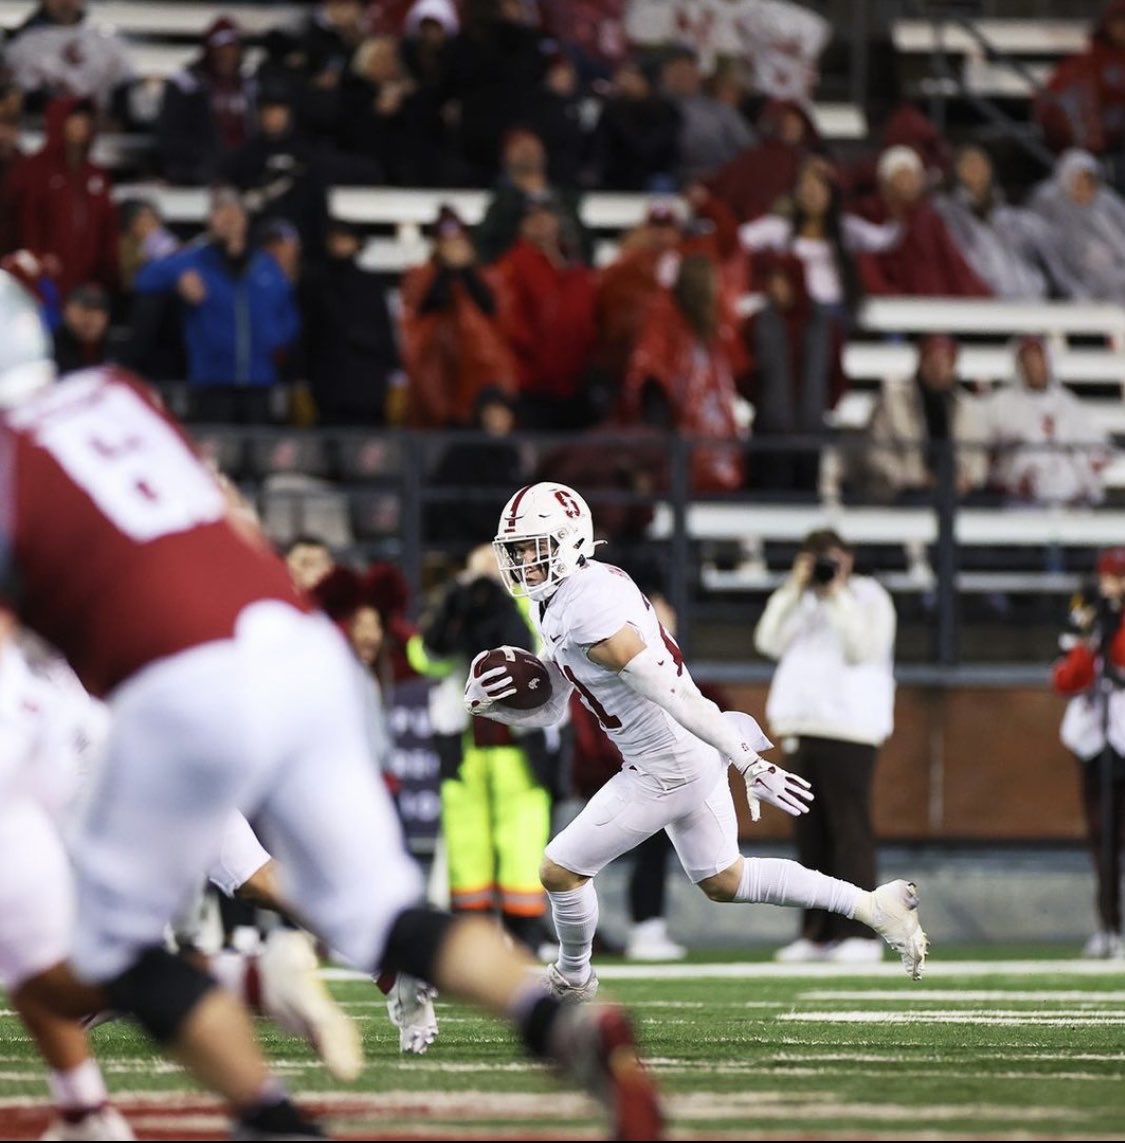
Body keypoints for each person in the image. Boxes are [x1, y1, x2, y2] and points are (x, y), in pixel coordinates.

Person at [0, 272, 662, 1141]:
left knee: (109, 956)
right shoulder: (116, 393)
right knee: (388, 914)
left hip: (177, 681)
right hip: (295, 643)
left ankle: (275, 1119)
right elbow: (222, 518)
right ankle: (561, 1019)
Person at [466, 482, 928, 1001]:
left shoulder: (587, 610)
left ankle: (574, 975)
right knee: (725, 881)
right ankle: (872, 906)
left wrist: (749, 762)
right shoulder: (571, 593)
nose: (525, 560)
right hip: (683, 753)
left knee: (560, 870)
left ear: (571, 541)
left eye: (536, 546)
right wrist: (499, 703)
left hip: (667, 762)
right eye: (519, 549)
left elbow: (679, 695)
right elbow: (556, 706)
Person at [753, 529, 897, 963]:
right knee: (809, 837)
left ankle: (862, 932)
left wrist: (836, 594)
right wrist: (794, 590)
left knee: (849, 831)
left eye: (831, 559)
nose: (823, 568)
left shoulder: (870, 597)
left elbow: (862, 649)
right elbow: (767, 642)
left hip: (850, 729)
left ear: (849, 559)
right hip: (799, 726)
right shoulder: (800, 599)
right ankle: (817, 933)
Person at [1052, 548, 1125, 959]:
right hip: (1098, 742)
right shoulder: (1091, 618)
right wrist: (1087, 634)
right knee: (1103, 839)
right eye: (1106, 578)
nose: (1109, 586)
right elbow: (1067, 679)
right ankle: (1110, 926)